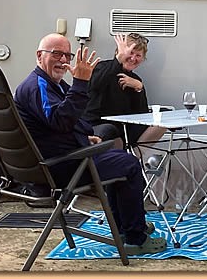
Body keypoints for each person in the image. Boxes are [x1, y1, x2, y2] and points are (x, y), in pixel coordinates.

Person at [14, 33, 166, 255]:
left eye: (67, 55)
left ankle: (125, 227)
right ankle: (135, 238)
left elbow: (68, 121)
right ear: (39, 55)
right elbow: (61, 119)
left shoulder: (52, 84)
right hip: (60, 167)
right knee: (129, 164)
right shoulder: (38, 86)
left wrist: (84, 137)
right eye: (56, 54)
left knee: (121, 159)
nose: (63, 60)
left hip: (65, 156)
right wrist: (80, 82)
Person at [84, 33, 166, 146]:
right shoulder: (102, 67)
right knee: (110, 130)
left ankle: (136, 155)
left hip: (124, 129)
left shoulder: (136, 80)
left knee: (163, 117)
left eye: (138, 55)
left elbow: (142, 116)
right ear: (118, 52)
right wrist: (118, 59)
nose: (133, 58)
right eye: (130, 53)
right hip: (98, 127)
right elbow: (95, 85)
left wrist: (139, 88)